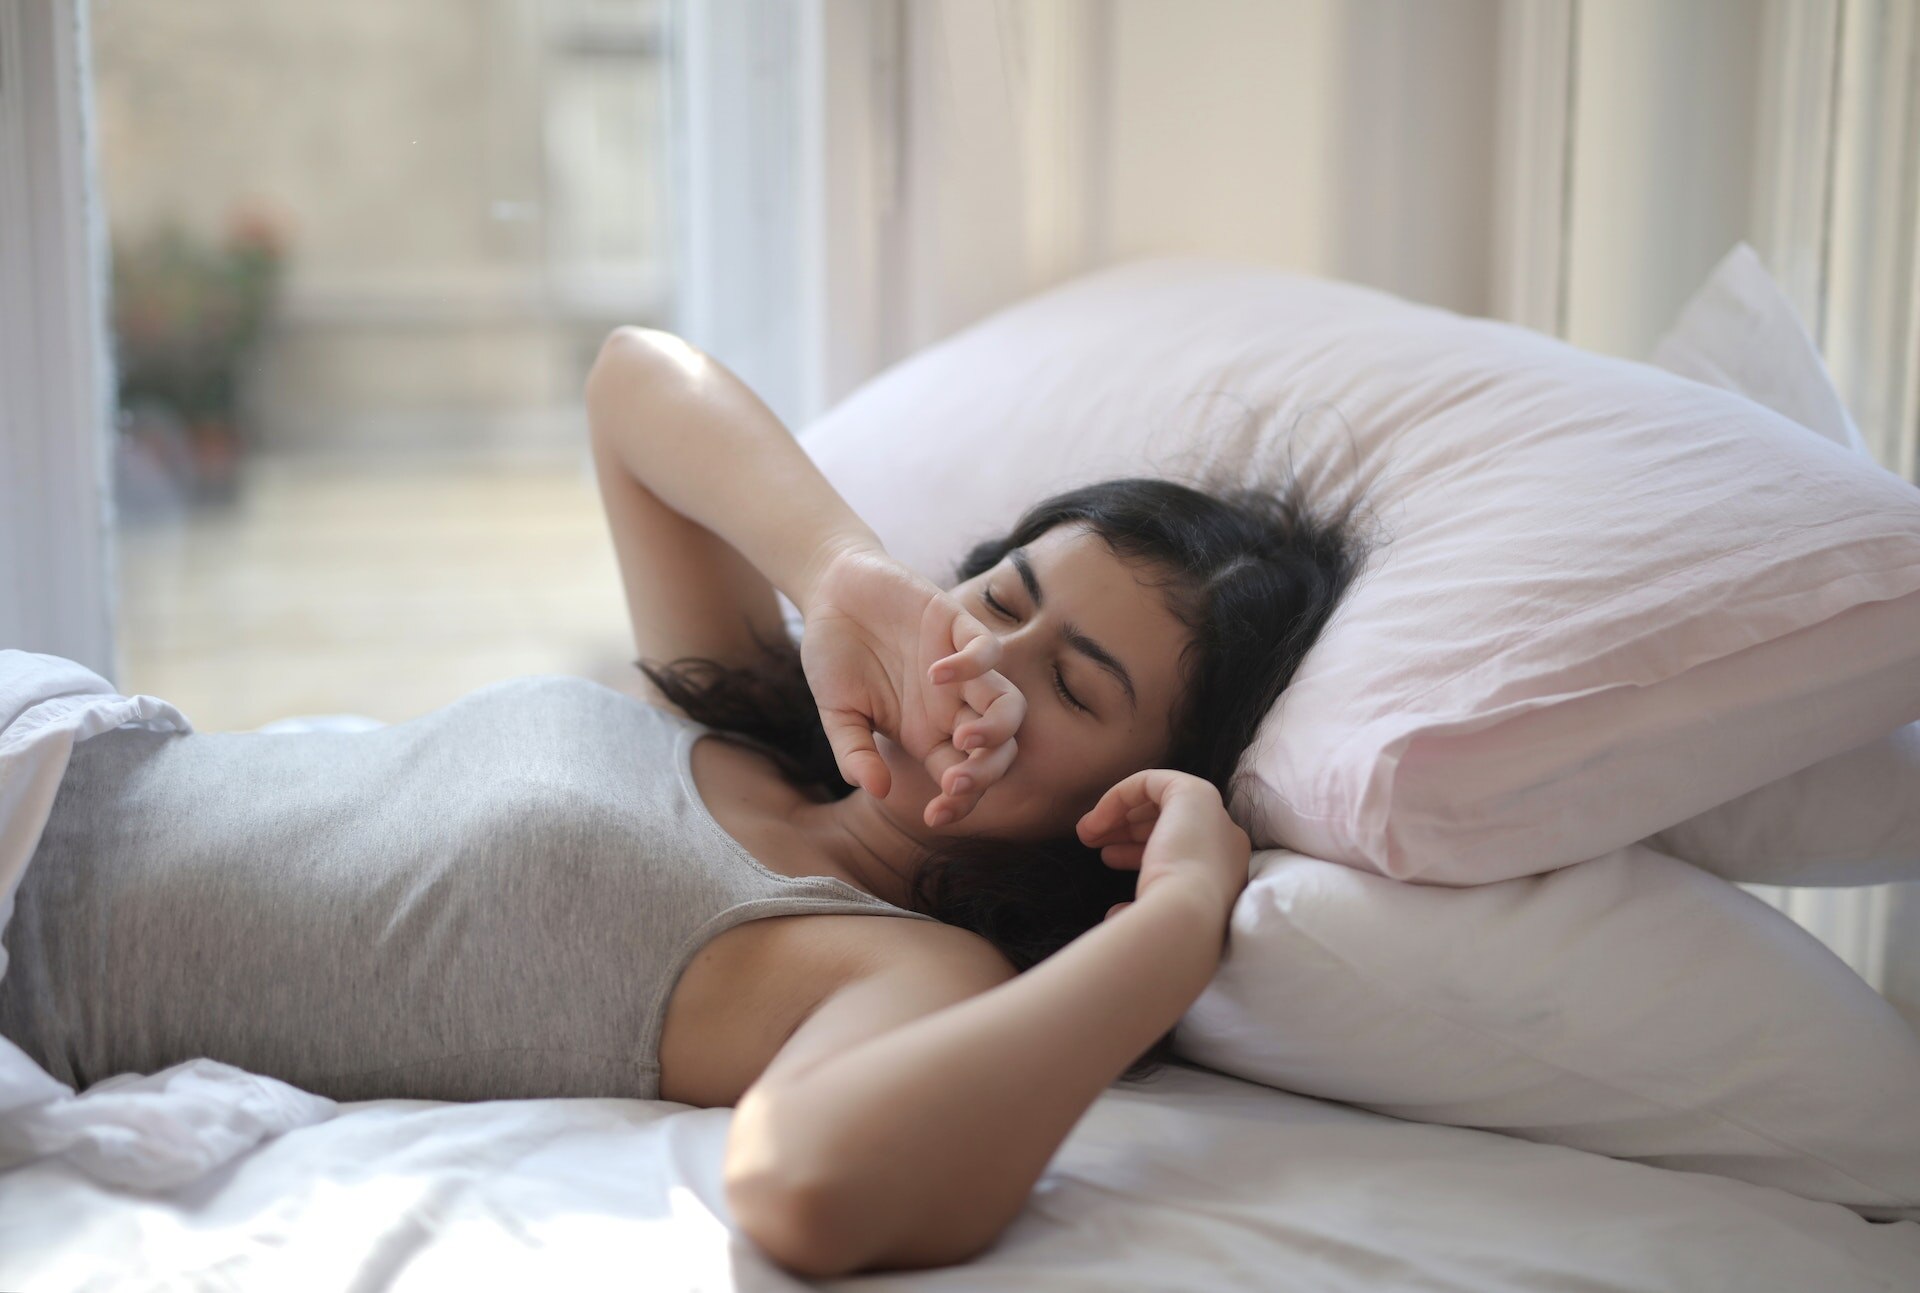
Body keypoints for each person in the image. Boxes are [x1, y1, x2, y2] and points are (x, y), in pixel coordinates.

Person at [0, 326, 1369, 1278]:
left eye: (1074, 687)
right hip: (48, 743)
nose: (987, 662)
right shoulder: (750, 712)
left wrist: (1180, 910)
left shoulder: (900, 961)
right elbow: (631, 385)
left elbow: (810, 1188)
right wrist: (841, 575)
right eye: (1001, 595)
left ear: (1121, 802)